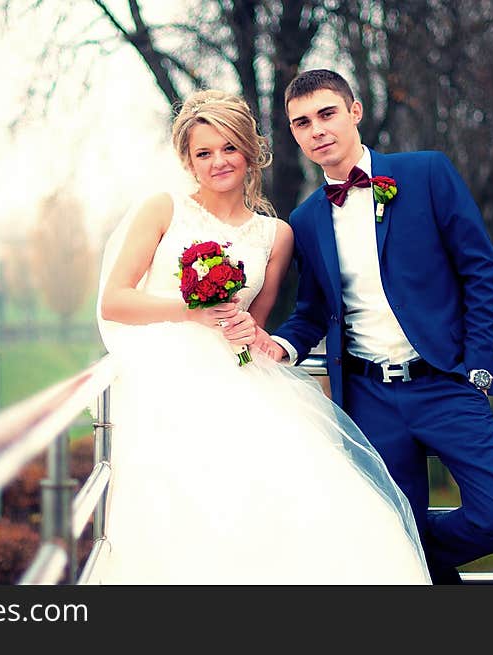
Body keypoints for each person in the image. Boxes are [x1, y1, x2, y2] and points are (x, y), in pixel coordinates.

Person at [93, 89, 430, 584]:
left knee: (290, 497)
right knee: (186, 504)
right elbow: (115, 301)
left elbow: (258, 323)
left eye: (228, 147)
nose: (218, 162)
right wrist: (192, 311)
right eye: (203, 153)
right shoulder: (162, 210)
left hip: (240, 375)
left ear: (250, 151)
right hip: (165, 379)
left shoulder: (277, 235)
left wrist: (245, 331)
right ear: (187, 161)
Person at [256, 69, 493, 584]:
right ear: (293, 134)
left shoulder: (426, 173)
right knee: (392, 538)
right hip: (367, 399)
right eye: (302, 122)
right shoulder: (307, 218)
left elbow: (482, 270)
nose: (317, 129)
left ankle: (394, 546)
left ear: (355, 111)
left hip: (448, 383)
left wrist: (479, 367)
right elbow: (313, 311)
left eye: (327, 113)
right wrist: (281, 348)